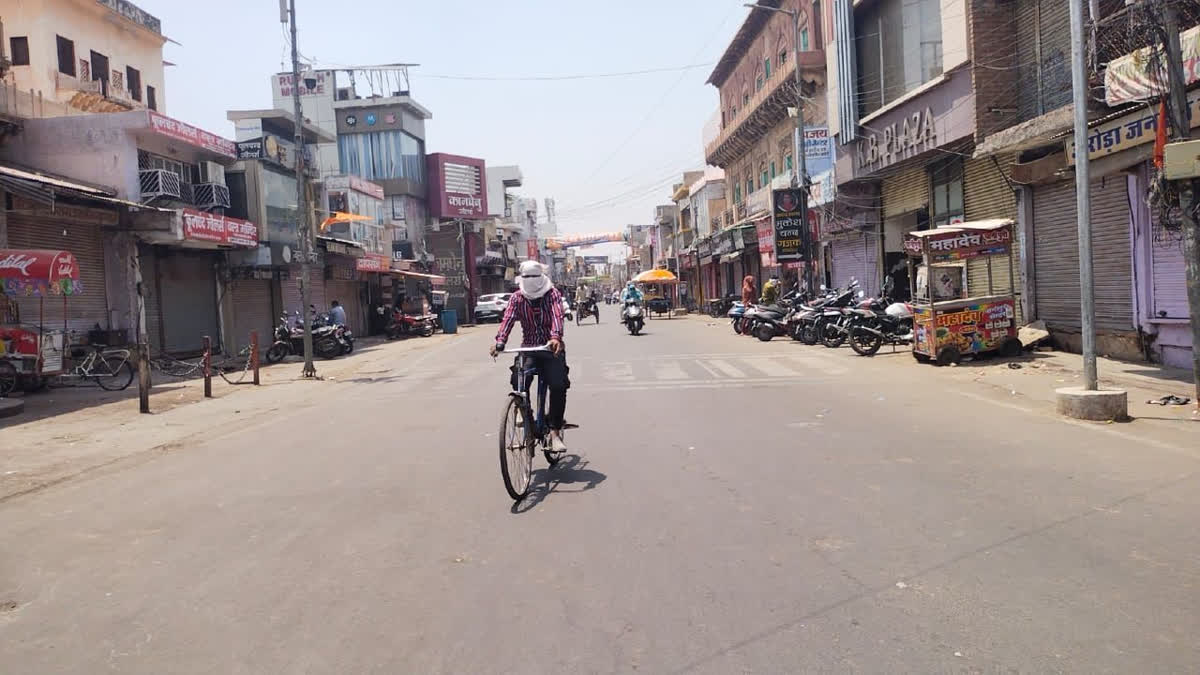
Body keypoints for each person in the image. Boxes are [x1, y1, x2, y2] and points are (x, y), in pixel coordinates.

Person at [491, 261, 570, 453]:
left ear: (540, 278)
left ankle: (554, 432)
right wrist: (500, 341)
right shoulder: (517, 298)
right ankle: (522, 409)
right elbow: (508, 319)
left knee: (558, 385)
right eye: (526, 277)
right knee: (519, 377)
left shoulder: (552, 295)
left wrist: (555, 337)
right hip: (529, 347)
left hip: (551, 347)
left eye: (533, 277)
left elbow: (556, 315)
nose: (529, 281)